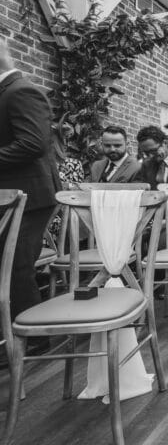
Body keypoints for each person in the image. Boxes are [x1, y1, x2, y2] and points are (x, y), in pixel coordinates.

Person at [0, 37, 61, 351]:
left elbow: (32, 144)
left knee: (15, 267)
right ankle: (12, 336)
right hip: (14, 195)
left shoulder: (20, 90)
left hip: (29, 195)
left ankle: (30, 340)